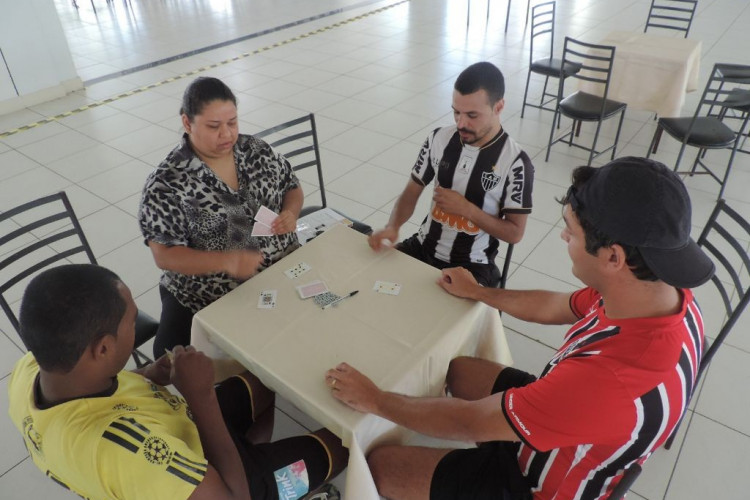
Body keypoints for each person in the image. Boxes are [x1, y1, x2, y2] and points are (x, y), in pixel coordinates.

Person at [325, 157, 715, 499]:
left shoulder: (611, 381)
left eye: (571, 231)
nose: (563, 236)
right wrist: (478, 292)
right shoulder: (656, 290)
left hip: (539, 484)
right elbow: (555, 305)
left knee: (382, 467)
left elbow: (469, 422)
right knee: (457, 369)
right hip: (569, 421)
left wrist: (377, 400)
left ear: (613, 257)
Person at [8, 264, 347, 500]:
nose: (136, 325)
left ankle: (251, 452)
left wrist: (147, 375)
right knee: (345, 443)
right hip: (225, 484)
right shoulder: (127, 450)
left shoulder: (34, 367)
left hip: (184, 431)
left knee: (261, 380)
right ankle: (266, 474)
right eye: (131, 322)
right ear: (104, 349)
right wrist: (201, 397)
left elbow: (96, 395)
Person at [138, 76, 304, 359]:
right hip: (208, 295)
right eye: (214, 126)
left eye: (232, 123)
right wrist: (226, 261)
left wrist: (290, 212)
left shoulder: (256, 151)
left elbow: (292, 188)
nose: (227, 134)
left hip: (280, 273)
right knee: (171, 359)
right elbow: (164, 255)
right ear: (188, 123)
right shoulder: (166, 184)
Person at [368, 62, 534, 287]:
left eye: (472, 115)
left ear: (499, 107)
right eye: (456, 112)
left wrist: (467, 210)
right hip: (423, 247)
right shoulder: (438, 138)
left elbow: (515, 233)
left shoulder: (516, 163)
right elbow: (412, 190)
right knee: (371, 282)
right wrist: (393, 226)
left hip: (473, 264)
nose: (461, 123)